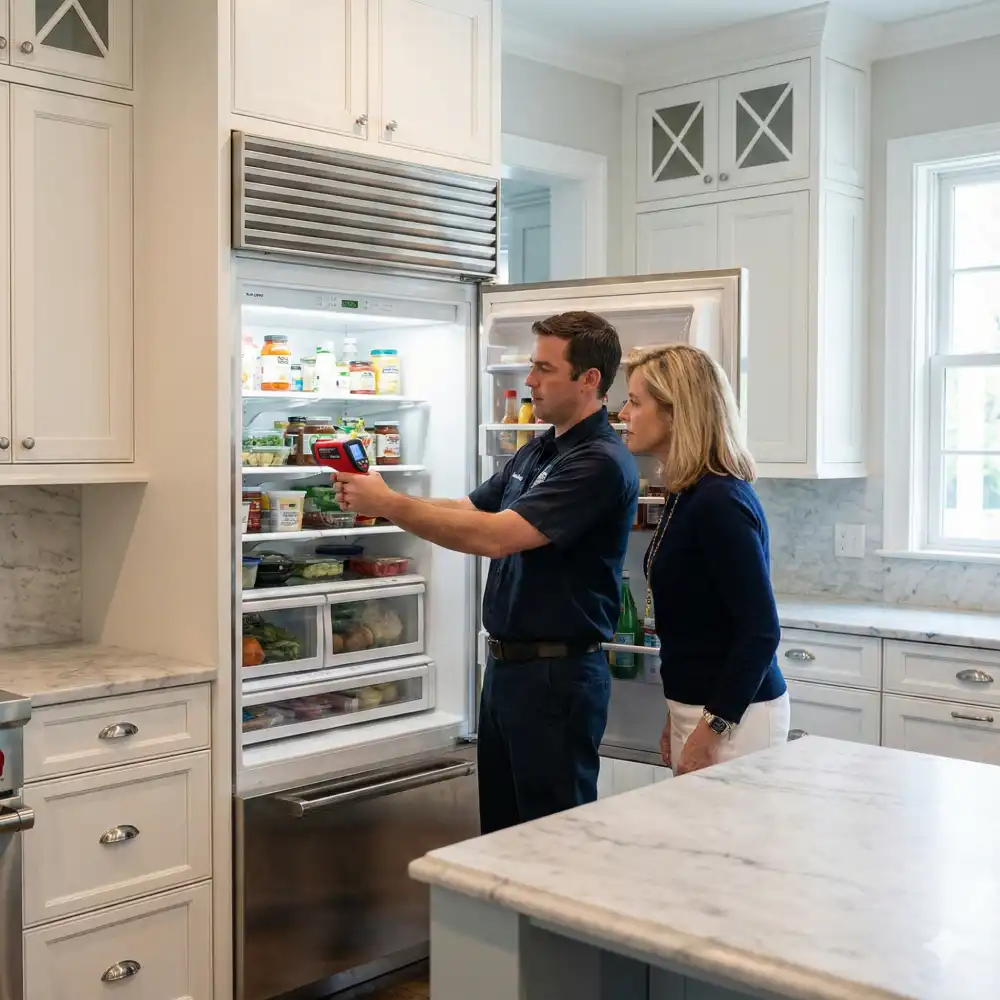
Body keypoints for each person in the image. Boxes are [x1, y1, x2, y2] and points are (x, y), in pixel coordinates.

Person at [334, 311, 639, 833]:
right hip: (508, 670)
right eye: (530, 366)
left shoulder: (599, 462)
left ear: (590, 380)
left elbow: (495, 537)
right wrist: (388, 497)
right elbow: (471, 510)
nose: (530, 381)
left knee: (550, 842)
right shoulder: (542, 446)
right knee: (502, 834)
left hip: (556, 677)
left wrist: (388, 504)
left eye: (544, 369)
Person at [619, 343, 788, 776]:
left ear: (676, 413)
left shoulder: (721, 502)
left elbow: (760, 631)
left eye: (635, 402)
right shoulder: (685, 494)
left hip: (738, 718)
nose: (622, 414)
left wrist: (710, 729)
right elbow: (697, 625)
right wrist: (675, 715)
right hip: (702, 709)